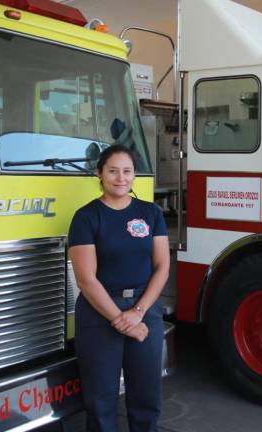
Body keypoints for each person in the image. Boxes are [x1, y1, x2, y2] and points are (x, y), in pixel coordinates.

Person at [68, 144, 169, 432]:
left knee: (146, 397)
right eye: (113, 171)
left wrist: (137, 312)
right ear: (100, 174)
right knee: (101, 401)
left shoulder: (151, 213)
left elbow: (162, 267)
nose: (120, 178)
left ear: (134, 175)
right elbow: (86, 279)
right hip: (99, 314)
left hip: (144, 309)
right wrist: (118, 319)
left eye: (127, 171)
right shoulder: (86, 217)